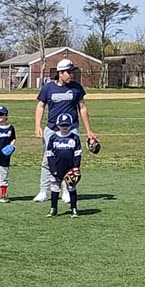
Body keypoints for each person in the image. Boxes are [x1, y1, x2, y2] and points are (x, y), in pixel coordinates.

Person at [33, 58, 98, 203]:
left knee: (69, 161)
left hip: (71, 130)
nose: (71, 75)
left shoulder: (76, 88)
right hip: (52, 130)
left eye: (71, 72)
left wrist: (89, 131)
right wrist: (37, 125)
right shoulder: (48, 88)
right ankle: (44, 190)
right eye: (68, 72)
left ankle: (67, 191)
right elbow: (40, 106)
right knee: (47, 160)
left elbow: (82, 108)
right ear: (60, 73)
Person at [45, 114, 82, 218]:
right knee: (55, 187)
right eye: (62, 125)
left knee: (71, 186)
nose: (64, 127)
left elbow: (78, 153)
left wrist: (76, 167)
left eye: (67, 125)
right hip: (57, 167)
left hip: (70, 168)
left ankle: (74, 208)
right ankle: (53, 209)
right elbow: (50, 154)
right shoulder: (54, 138)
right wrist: (53, 169)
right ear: (57, 125)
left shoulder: (74, 137)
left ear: (71, 125)